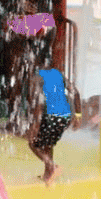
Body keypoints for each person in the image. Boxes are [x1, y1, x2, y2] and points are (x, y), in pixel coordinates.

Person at [28, 50, 80, 183]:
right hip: (65, 116)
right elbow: (75, 92)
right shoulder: (58, 74)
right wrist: (77, 115)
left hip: (49, 115)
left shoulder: (36, 76)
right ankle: (48, 175)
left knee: (33, 143)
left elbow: (38, 102)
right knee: (48, 143)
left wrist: (36, 125)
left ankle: (52, 165)